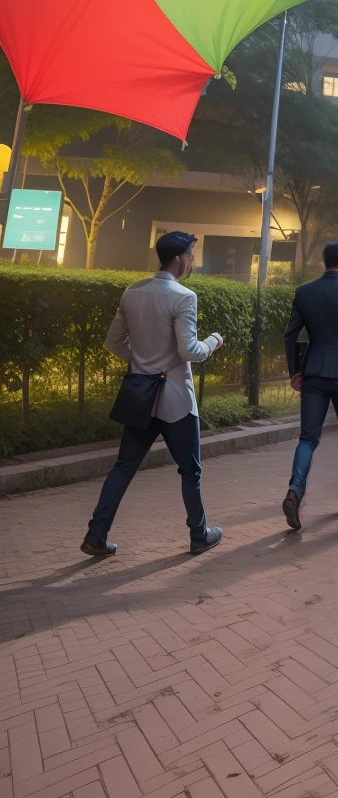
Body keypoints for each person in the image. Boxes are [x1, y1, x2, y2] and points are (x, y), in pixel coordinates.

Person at [81, 230, 225, 559]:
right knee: (190, 471)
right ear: (178, 259)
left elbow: (113, 341)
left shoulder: (132, 292)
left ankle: (96, 533)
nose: (191, 261)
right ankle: (199, 535)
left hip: (140, 396)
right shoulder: (184, 296)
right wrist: (214, 341)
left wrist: (142, 361)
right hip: (175, 399)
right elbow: (189, 350)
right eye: (190, 255)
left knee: (123, 467)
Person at [281, 241, 338, 531]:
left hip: (315, 374)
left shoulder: (305, 292)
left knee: (308, 439)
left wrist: (295, 371)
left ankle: (296, 489)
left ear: (325, 261)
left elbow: (290, 335)